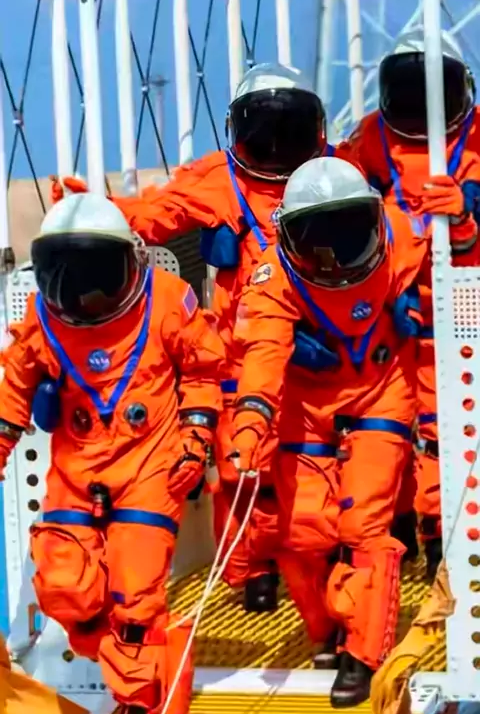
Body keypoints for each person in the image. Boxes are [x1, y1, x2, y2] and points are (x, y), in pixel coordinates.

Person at [51, 62, 352, 614]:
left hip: (324, 345)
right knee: (240, 470)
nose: (275, 143)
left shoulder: (337, 172)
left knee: (323, 466)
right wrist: (95, 213)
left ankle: (325, 566)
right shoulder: (219, 180)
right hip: (244, 348)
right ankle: (251, 570)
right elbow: (156, 214)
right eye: (263, 130)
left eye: (287, 129)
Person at [0, 192, 225, 714]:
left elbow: (203, 371)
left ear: (132, 261)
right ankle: (147, 664)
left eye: (100, 275)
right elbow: (13, 391)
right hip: (77, 469)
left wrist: (196, 438)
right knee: (63, 587)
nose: (87, 293)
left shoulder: (166, 300)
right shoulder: (44, 318)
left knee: (135, 596)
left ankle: (137, 708)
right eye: (71, 277)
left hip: (149, 466)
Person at [230, 156, 428, 707]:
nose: (335, 255)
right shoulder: (273, 279)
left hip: (380, 390)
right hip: (307, 403)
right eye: (320, 240)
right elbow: (263, 355)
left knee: (363, 525)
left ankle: (362, 654)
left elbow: (450, 270)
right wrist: (250, 420)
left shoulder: (401, 236)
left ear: (371, 218)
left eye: (348, 233)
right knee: (302, 535)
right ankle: (326, 627)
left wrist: (418, 307)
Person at [339, 28, 480, 579]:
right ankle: (404, 530)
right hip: (392, 303)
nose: (422, 107)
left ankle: (443, 536)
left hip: (462, 298)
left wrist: (464, 217)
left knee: (449, 428)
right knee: (385, 429)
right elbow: (333, 191)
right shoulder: (371, 139)